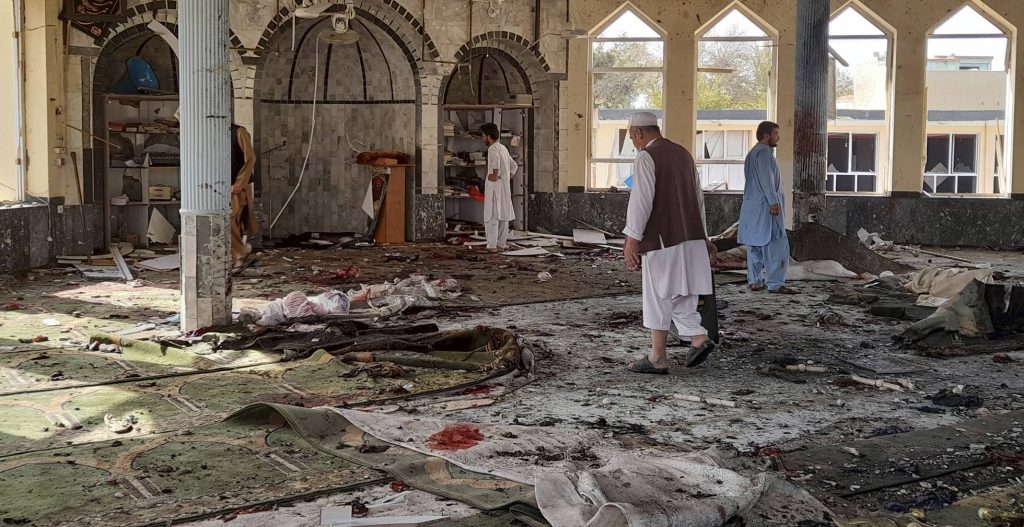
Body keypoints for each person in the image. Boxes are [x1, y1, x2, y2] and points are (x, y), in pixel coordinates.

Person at [622, 112, 717, 374]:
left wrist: (632, 239)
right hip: (691, 236)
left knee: (659, 294)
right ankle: (694, 339)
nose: (634, 143)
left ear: (639, 133)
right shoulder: (683, 154)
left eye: (632, 138)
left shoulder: (647, 156)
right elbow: (698, 197)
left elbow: (641, 201)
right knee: (682, 293)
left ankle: (660, 356)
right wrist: (704, 236)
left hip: (663, 239)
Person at [739, 121, 798, 294]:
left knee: (755, 244)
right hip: (766, 206)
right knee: (776, 245)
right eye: (776, 133)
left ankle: (755, 281)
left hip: (753, 206)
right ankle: (775, 283)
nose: (778, 137)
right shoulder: (764, 153)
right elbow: (767, 179)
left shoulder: (752, 153)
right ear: (766, 135)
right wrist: (773, 202)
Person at [481, 123, 517, 251]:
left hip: (495, 187)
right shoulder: (503, 148)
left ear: (488, 136)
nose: (482, 138)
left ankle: (492, 245)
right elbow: (514, 165)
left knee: (492, 216)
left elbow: (495, 162)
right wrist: (506, 177)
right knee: (503, 216)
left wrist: (495, 175)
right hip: (504, 187)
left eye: (483, 136)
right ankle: (501, 243)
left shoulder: (493, 148)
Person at [230, 124, 259, 272]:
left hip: (236, 186)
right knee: (233, 223)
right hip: (223, 186)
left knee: (230, 221)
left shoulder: (238, 132)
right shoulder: (214, 134)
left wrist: (240, 183)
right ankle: (238, 256)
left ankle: (240, 255)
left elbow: (250, 157)